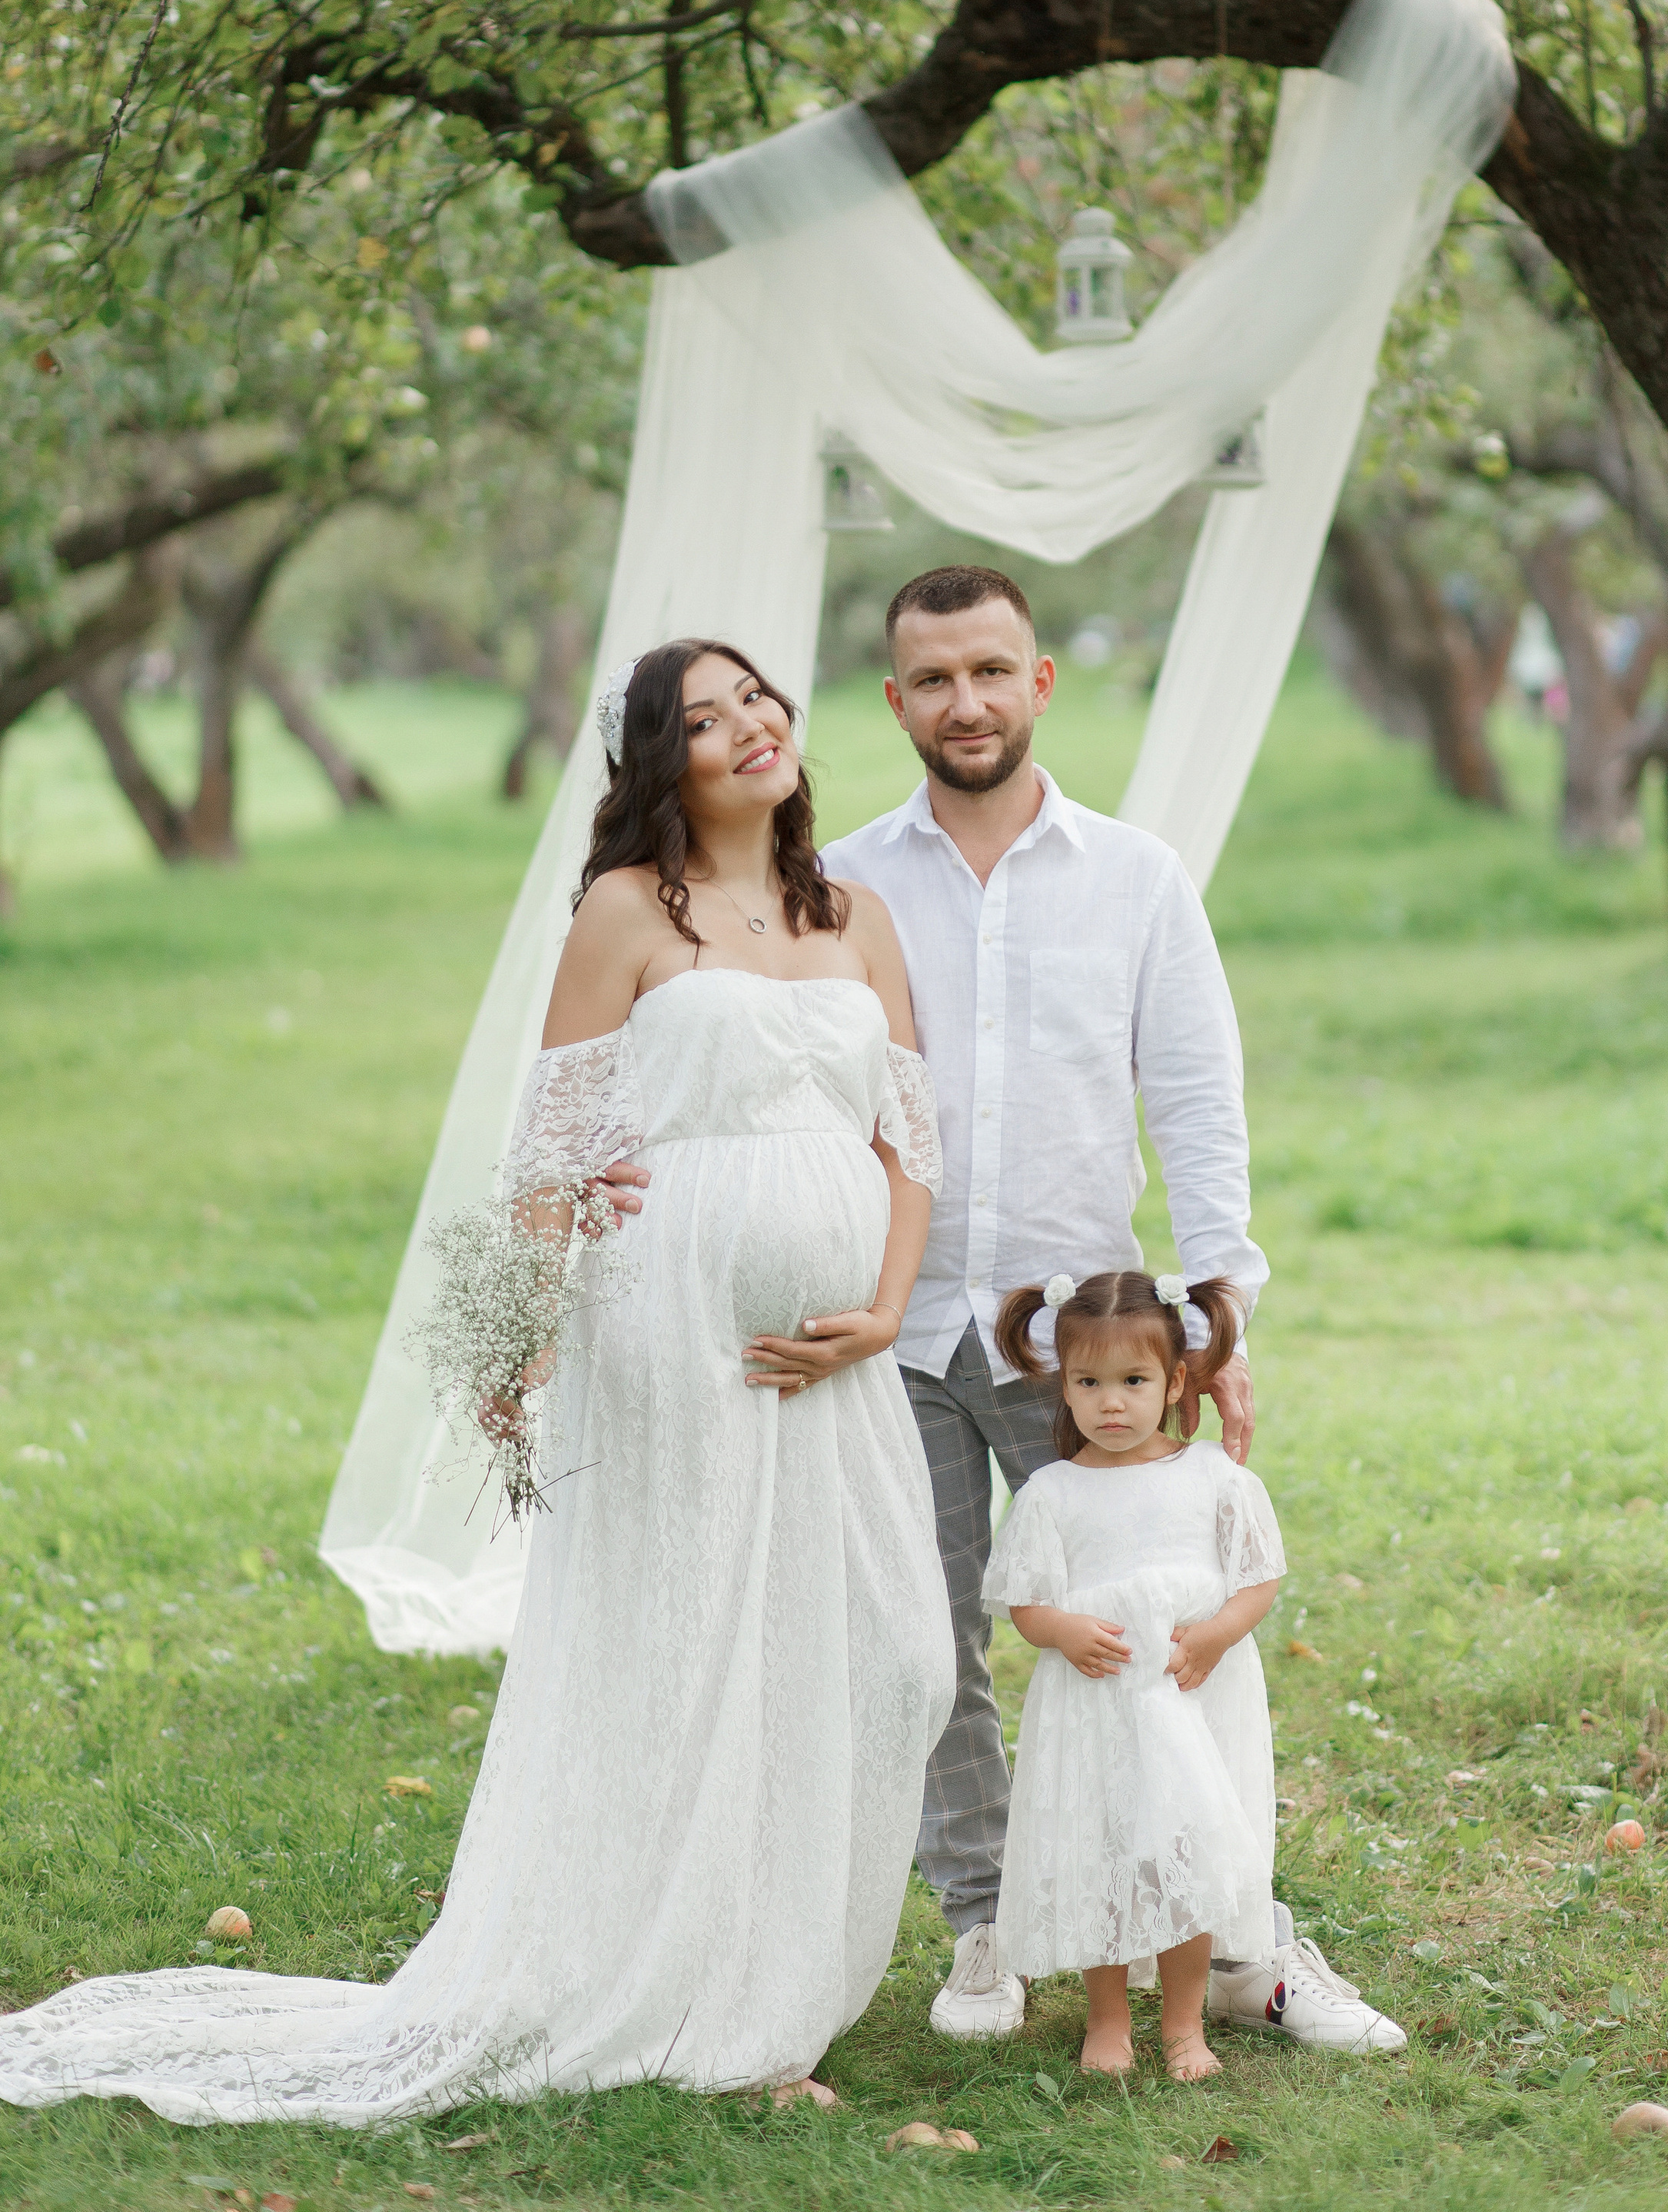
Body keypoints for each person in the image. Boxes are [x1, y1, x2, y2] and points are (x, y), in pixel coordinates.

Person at [0, 639, 954, 2122]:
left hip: (836, 1354)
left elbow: (910, 1145)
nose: (747, 726)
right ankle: (726, 2015)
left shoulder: (862, 919)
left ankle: (774, 1966)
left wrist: (886, 1308)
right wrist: (524, 1337)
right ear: (662, 763)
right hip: (670, 1330)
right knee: (691, 1649)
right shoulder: (630, 912)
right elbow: (550, 1151)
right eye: (702, 719)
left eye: (755, 696)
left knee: (885, 1654)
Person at [819, 564, 1404, 2056]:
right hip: (886, 1330)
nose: (964, 701)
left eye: (989, 670)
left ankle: (1239, 1942)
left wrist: (1223, 1321)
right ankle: (984, 1919)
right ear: (895, 702)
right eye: (932, 679)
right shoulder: (838, 882)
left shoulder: (1136, 879)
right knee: (921, 1644)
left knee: (1165, 1635)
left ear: (1038, 683)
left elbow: (1198, 1106)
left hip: (1079, 1349)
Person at [984, 1268, 1285, 2080]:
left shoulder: (1213, 1479)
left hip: (1189, 1700)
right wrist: (1063, 1630)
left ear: (1176, 1381)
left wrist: (1217, 1634)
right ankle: (1108, 2018)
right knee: (1106, 1859)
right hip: (1097, 1711)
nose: (1110, 1403)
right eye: (1088, 1382)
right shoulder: (1051, 1493)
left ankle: (1183, 2024)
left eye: (1133, 1381)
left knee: (1182, 1854)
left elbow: (1259, 1576)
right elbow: (1024, 1602)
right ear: (1062, 1386)